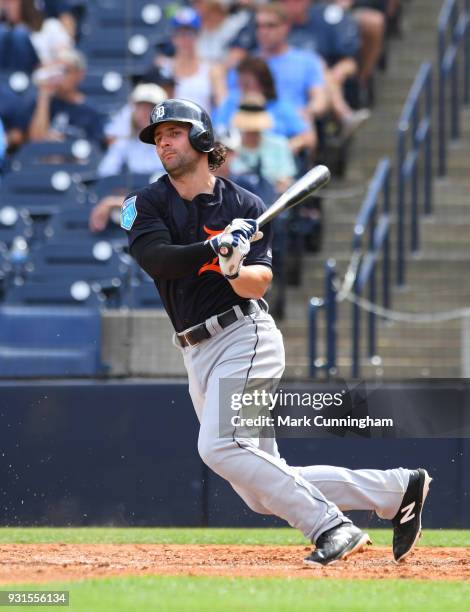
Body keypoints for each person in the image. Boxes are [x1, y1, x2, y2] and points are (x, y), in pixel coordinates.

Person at [121, 97, 432, 566]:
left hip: (244, 338)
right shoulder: (145, 203)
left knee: (221, 446)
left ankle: (331, 526)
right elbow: (157, 260)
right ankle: (395, 489)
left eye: (175, 132)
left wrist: (230, 267)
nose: (163, 140)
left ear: (204, 139)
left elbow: (258, 282)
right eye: (158, 136)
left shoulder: (245, 205)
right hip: (195, 349)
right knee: (259, 490)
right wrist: (214, 247)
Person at [89, 83, 167, 234]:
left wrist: (114, 202)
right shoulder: (122, 145)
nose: (145, 112)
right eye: (141, 107)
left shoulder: (170, 146)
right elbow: (105, 178)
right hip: (127, 211)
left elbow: (168, 193)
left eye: (151, 108)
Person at [214, 55, 315, 156]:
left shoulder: (281, 107)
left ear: (263, 84)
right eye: (239, 84)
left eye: (247, 84)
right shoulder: (231, 102)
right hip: (235, 163)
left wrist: (285, 149)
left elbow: (308, 138)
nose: (242, 90)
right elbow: (218, 132)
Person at [153, 7, 226, 112]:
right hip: (171, 125)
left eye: (189, 34)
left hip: (202, 127)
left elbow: (223, 107)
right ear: (173, 37)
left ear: (198, 35)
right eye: (179, 34)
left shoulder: (212, 70)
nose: (184, 40)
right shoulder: (162, 67)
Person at [28, 48, 106, 144]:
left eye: (65, 71)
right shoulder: (43, 103)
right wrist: (44, 96)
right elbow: (36, 142)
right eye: (56, 70)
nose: (60, 76)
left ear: (80, 74)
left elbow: (94, 150)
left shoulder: (91, 111)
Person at [229, 93, 297, 194]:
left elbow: (286, 179)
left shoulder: (279, 145)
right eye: (249, 130)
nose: (252, 133)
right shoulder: (230, 147)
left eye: (255, 130)